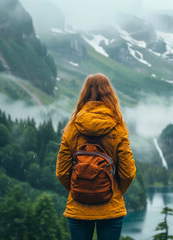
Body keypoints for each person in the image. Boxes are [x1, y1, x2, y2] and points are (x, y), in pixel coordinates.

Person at [56, 73, 136, 240]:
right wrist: (114, 190)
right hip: (110, 208)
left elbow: (62, 173)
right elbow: (128, 173)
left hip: (78, 208)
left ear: (84, 94)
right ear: (109, 94)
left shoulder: (72, 127)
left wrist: (80, 189)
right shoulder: (118, 126)